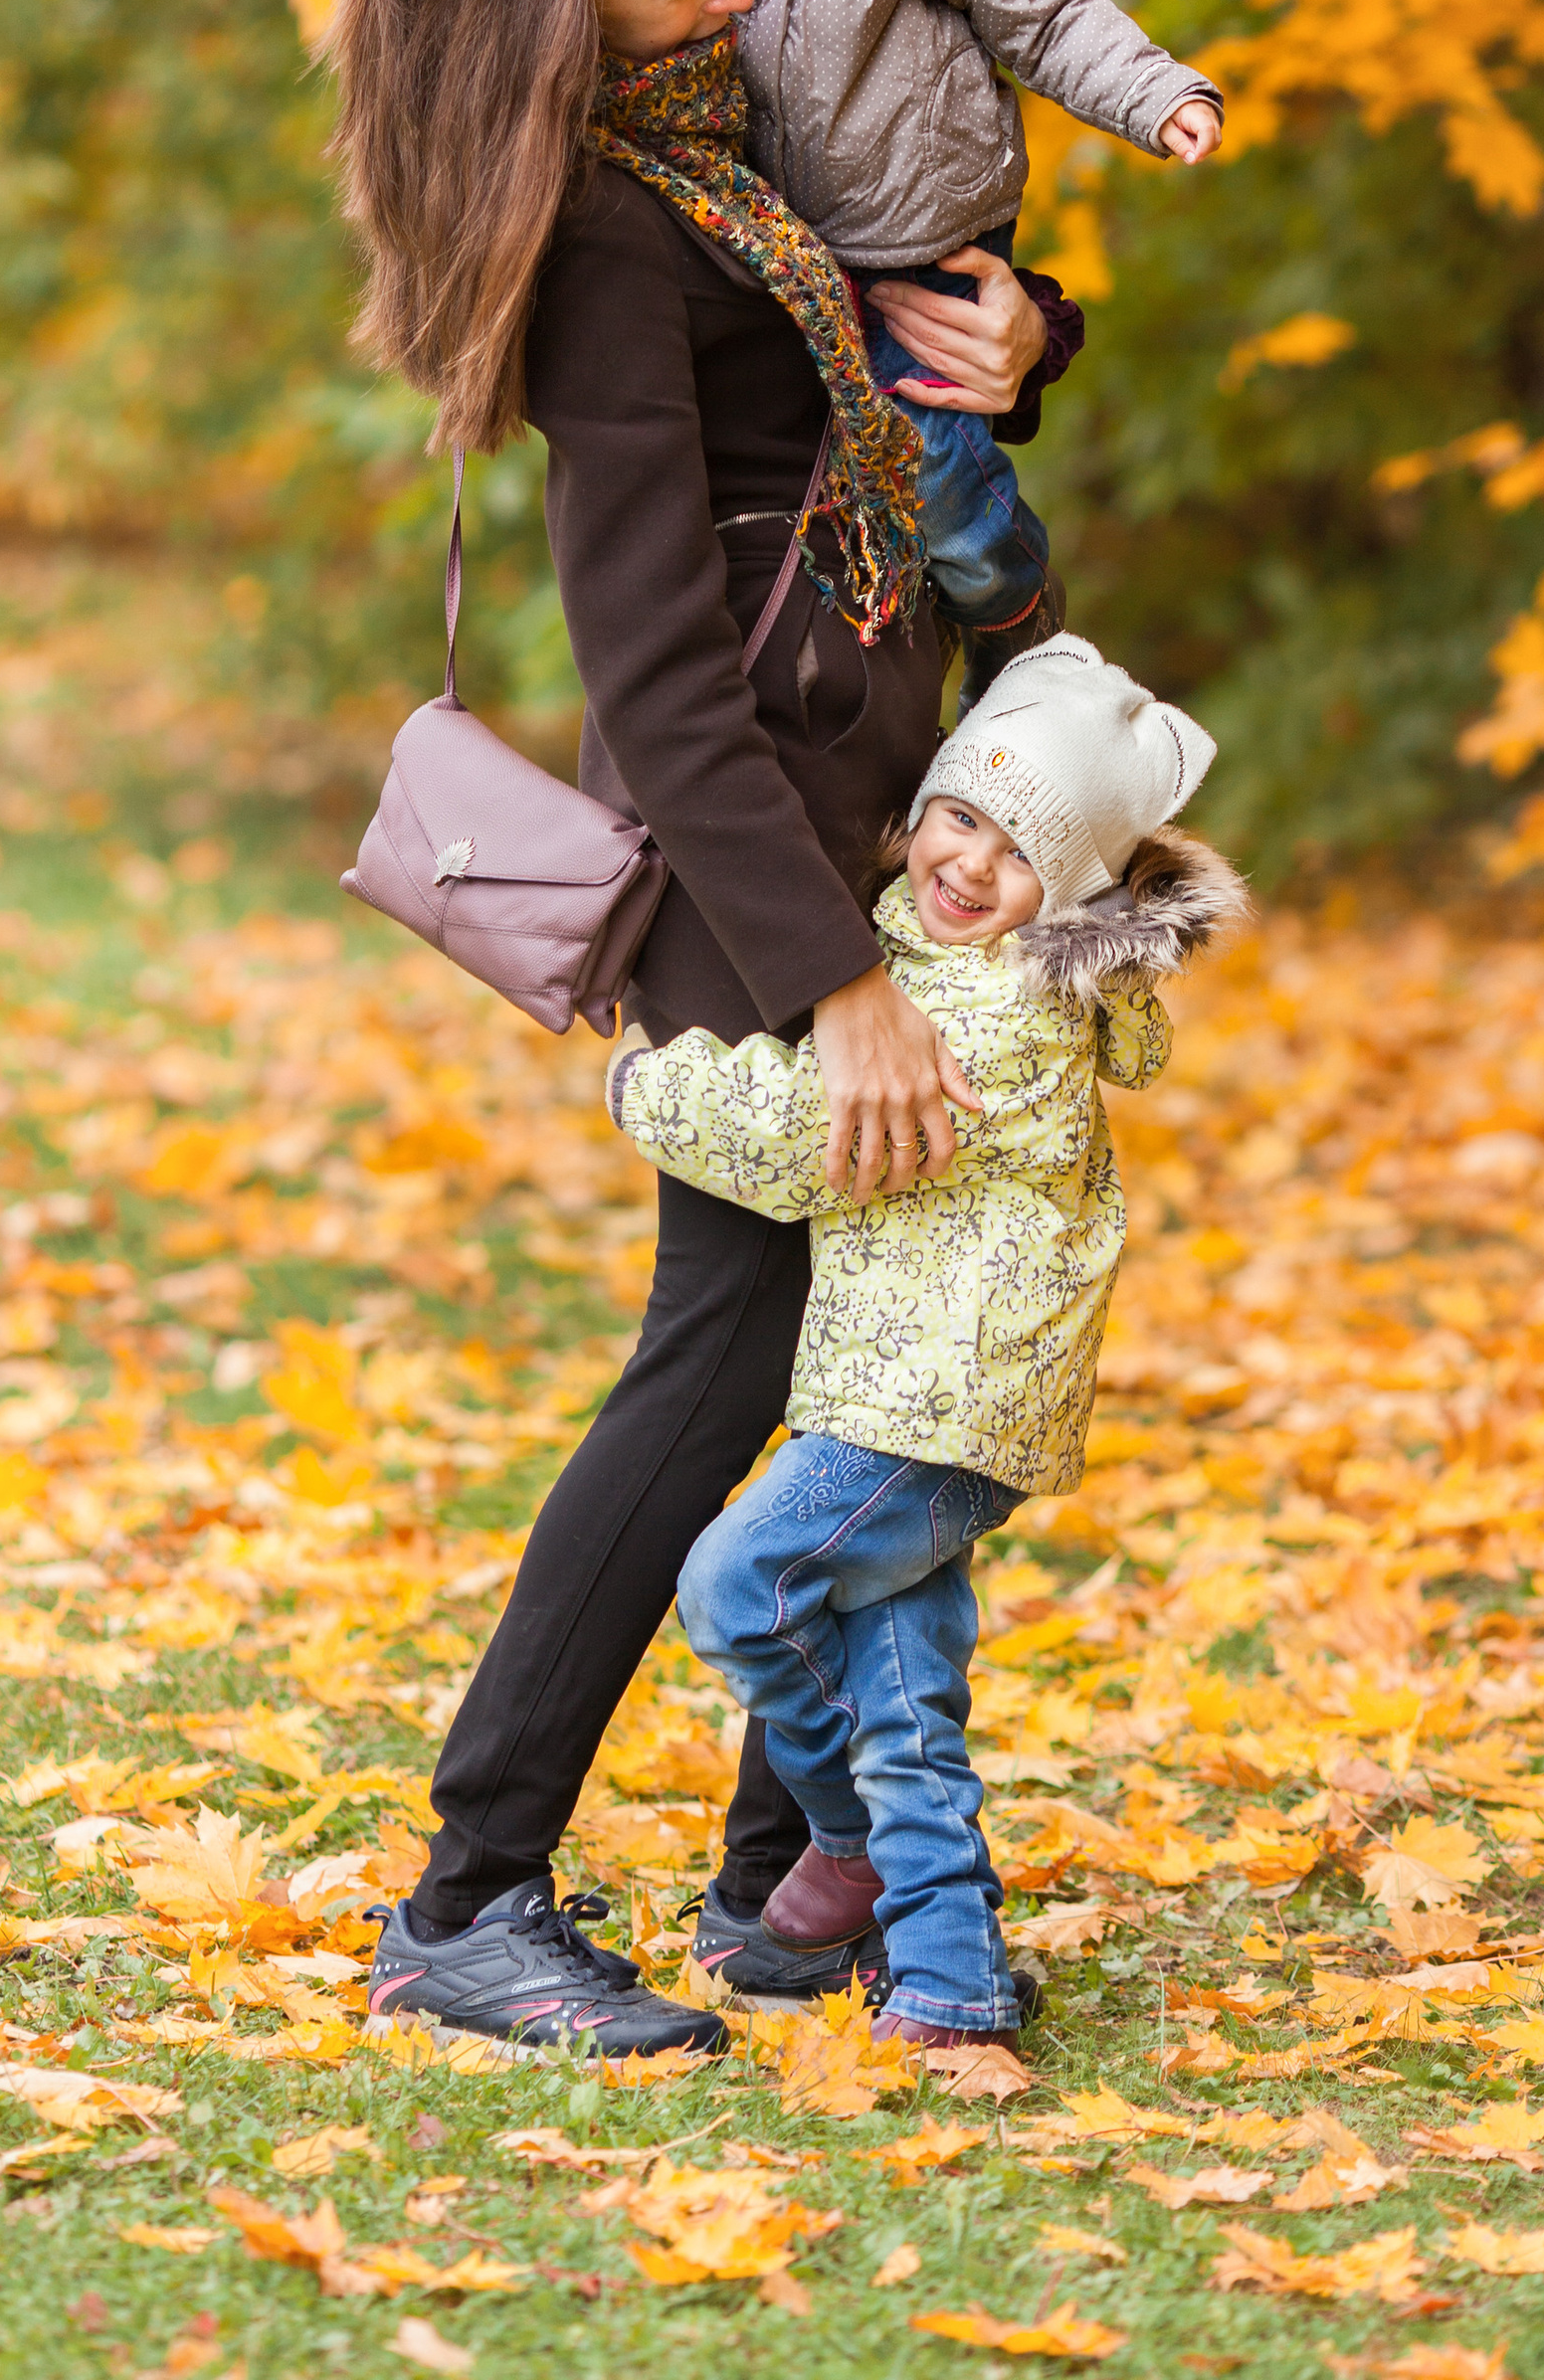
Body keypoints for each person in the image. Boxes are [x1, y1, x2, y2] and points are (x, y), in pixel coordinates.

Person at [323, 0, 1064, 2056]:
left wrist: (1024, 348)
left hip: (876, 824)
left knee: (865, 1356)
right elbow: (648, 663)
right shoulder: (606, 241)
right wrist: (835, 983)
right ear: (568, 30)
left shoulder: (735, 145)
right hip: (754, 888)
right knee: (727, 1359)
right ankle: (469, 1890)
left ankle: (783, 1876)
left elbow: (890, 332)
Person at [608, 638, 1248, 2042]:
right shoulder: (917, 959)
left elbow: (798, 1138)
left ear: (1067, 895)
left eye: (1021, 852)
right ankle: (952, 1985)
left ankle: (842, 1844)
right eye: (960, 815)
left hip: (938, 1407)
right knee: (903, 1694)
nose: (971, 864)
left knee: (737, 1586)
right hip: (916, 1393)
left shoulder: (991, 1013)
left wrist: (643, 1083)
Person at [631, 0, 1225, 699]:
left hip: (927, 244)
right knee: (866, 487)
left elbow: (1042, 20)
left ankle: (1014, 618)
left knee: (937, 472)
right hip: (790, 255)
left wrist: (1155, 93)